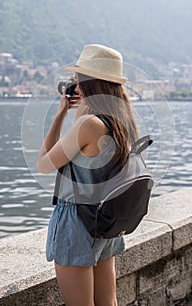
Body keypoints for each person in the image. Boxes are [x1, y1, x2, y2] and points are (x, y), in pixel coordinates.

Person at [37, 44, 139, 306]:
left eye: (77, 81)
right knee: (108, 302)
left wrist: (60, 113)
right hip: (104, 221)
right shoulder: (121, 122)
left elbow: (44, 165)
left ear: (86, 84)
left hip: (77, 222)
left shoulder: (89, 123)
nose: (75, 87)